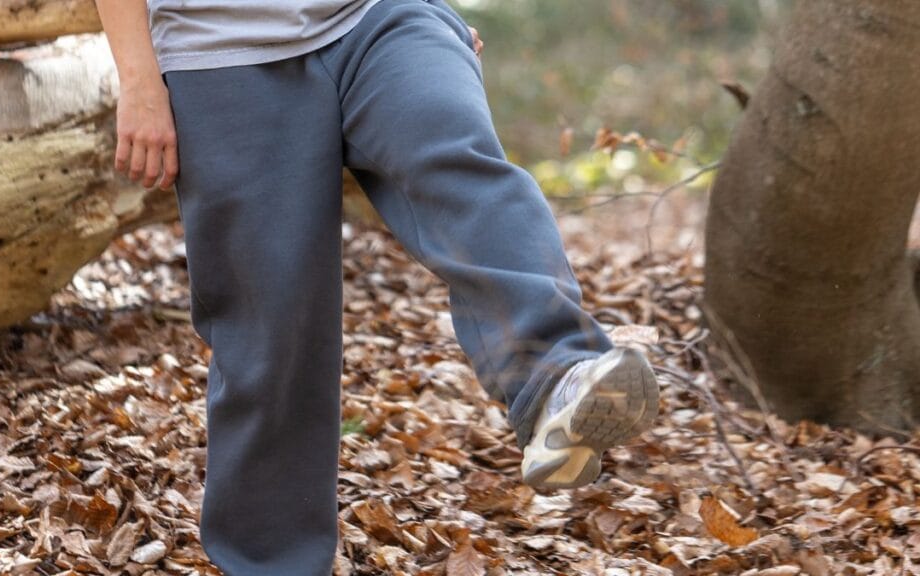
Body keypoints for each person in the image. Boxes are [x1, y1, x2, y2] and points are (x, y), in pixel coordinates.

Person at [92, 0, 660, 573]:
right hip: (219, 50)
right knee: (272, 331)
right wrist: (139, 78)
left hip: (378, 17)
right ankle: (270, 563)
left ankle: (555, 374)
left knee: (456, 155)